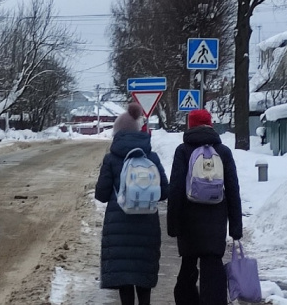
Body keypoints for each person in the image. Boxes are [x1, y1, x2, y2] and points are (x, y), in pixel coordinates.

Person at [95, 102, 169, 305]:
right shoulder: (151, 156)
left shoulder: (111, 159)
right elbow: (164, 192)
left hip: (118, 228)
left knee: (125, 283)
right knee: (143, 279)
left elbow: (101, 195)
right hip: (147, 227)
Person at [167, 109, 242, 305]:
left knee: (188, 266)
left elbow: (175, 188)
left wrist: (172, 225)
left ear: (190, 125)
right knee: (213, 268)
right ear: (211, 124)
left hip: (188, 221)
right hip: (215, 220)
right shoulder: (223, 151)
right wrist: (236, 228)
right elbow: (233, 189)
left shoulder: (183, 150)